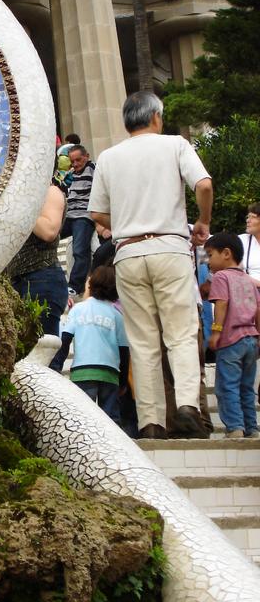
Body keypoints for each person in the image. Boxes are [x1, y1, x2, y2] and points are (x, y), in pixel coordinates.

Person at [89, 90, 213, 440]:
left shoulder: (110, 156)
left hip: (128, 251)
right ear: (156, 116)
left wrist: (128, 216)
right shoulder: (174, 145)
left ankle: (151, 422)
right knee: (180, 332)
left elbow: (97, 212)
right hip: (170, 246)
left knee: (142, 341)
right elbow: (203, 184)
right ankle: (187, 405)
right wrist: (202, 222)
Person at [5, 160, 70, 347]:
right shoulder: (21, 196)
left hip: (41, 278)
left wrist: (21, 205)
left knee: (40, 352)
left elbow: (49, 231)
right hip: (17, 281)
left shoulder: (50, 191)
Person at [57, 265, 129, 424]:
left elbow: (65, 340)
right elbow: (124, 351)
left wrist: (57, 367)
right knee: (111, 420)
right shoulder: (117, 315)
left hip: (83, 372)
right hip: (110, 374)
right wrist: (123, 382)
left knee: (84, 418)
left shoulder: (78, 310)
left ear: (90, 284)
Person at [206, 233, 260, 439]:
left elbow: (222, 303)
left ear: (226, 253)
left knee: (226, 385)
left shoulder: (221, 277)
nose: (208, 261)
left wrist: (216, 331)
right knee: (246, 387)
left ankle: (235, 428)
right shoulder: (247, 279)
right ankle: (252, 428)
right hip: (251, 339)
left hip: (231, 339)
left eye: (210, 255)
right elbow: (258, 308)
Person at [60, 144, 96, 298]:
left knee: (80, 250)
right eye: (72, 161)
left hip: (83, 216)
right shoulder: (71, 174)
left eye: (78, 160)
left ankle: (75, 285)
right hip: (68, 215)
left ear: (86, 156)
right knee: (48, 237)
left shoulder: (93, 168)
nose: (75, 164)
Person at [239, 202, 260, 288]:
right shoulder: (241, 240)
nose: (248, 220)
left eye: (253, 217)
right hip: (247, 293)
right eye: (248, 217)